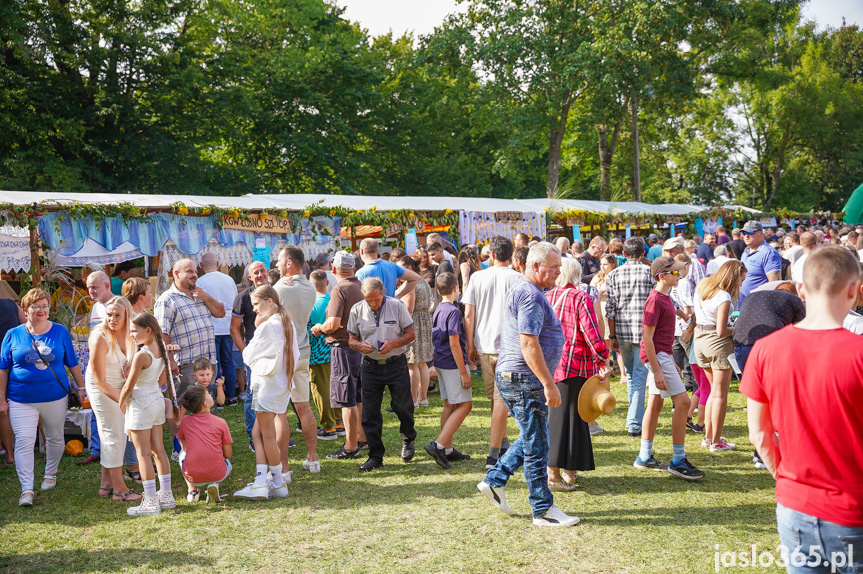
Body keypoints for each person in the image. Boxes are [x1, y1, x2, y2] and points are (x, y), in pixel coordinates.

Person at [742, 246, 863, 572]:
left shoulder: (765, 350)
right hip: (852, 511)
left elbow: (760, 434)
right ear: (855, 289)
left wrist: (784, 478)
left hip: (795, 506)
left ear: (801, 291)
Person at [477, 242, 580, 527]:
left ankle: (495, 480)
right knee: (537, 445)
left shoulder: (527, 290)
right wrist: (549, 383)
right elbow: (527, 342)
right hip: (524, 378)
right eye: (554, 266)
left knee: (535, 436)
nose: (559, 272)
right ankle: (542, 510)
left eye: (560, 266)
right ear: (535, 266)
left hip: (518, 376)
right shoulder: (530, 295)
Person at [0, 288, 85, 507]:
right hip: (20, 397)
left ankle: (51, 474)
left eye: (45, 306)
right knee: (25, 441)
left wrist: (82, 387)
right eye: (35, 306)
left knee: (55, 437)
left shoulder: (60, 331)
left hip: (54, 396)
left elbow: (72, 362)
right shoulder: (13, 334)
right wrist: (2, 398)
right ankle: (26, 490)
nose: (41, 310)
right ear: (25, 310)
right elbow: (3, 369)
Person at [635, 257, 705, 480]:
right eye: (673, 273)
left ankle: (644, 456)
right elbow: (646, 337)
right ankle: (678, 459)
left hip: (662, 355)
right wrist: (657, 369)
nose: (678, 275)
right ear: (661, 276)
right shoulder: (655, 300)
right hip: (657, 356)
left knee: (655, 403)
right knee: (683, 402)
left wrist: (666, 363)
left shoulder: (665, 297)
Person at [546, 257, 610, 491]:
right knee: (573, 419)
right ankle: (556, 474)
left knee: (560, 418)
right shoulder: (580, 297)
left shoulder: (548, 296)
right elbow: (592, 332)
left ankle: (566, 472)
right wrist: (603, 358)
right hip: (577, 364)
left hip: (552, 366)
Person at [234, 285, 298, 500]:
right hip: (279, 385)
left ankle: (277, 482)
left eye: (256, 304)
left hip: (267, 386)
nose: (254, 309)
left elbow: (248, 355)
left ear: (270, 301)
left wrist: (257, 324)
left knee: (266, 435)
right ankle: (262, 479)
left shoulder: (268, 325)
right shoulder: (286, 322)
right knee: (257, 433)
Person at [347, 277, 417, 472]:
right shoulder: (357, 309)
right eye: (368, 300)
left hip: (396, 364)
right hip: (370, 367)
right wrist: (359, 345)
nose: (372, 303)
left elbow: (411, 334)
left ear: (383, 292)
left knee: (403, 407)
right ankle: (376, 456)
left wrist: (393, 343)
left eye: (376, 299)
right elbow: (352, 339)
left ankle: (408, 438)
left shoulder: (397, 306)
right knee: (369, 414)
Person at [463, 236, 520, 468]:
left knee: (496, 401)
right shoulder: (518, 278)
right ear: (511, 255)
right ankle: (502, 444)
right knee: (498, 401)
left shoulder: (478, 277)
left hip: (485, 345)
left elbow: (468, 314)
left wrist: (470, 344)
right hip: (510, 347)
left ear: (492, 256)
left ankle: (493, 453)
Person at [85, 296, 143, 502]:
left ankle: (106, 484)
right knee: (112, 434)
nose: (112, 319)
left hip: (120, 385)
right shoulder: (99, 337)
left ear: (127, 315)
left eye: (118, 315)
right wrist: (123, 401)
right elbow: (100, 381)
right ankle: (120, 489)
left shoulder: (132, 334)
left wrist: (131, 365)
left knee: (116, 432)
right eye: (109, 315)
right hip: (101, 386)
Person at [311, 251, 367, 459]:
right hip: (359, 347)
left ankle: (351, 446)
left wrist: (319, 328)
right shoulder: (360, 285)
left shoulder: (340, 289)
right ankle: (361, 438)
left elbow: (333, 323)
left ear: (333, 269)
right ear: (353, 268)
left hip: (343, 347)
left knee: (347, 399)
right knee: (357, 396)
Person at [119, 312, 177, 516]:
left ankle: (151, 500)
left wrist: (121, 401)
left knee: (142, 454)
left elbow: (129, 385)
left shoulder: (142, 355)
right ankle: (166, 495)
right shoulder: (161, 349)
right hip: (156, 401)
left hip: (141, 404)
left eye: (135, 331)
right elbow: (161, 381)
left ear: (148, 330)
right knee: (158, 450)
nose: (132, 335)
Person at [273, 246, 320, 473]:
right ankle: (313, 459)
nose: (277, 265)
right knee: (304, 407)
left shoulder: (280, 288)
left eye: (280, 261)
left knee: (280, 411)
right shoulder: (310, 287)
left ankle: (283, 468)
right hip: (303, 350)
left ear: (289, 262)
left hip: (284, 355)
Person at [693, 260, 747, 452]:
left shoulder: (703, 286)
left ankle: (709, 437)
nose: (741, 285)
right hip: (717, 344)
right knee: (720, 395)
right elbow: (721, 330)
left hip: (699, 341)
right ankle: (716, 441)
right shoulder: (723, 296)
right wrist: (739, 327)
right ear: (732, 278)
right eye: (740, 281)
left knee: (712, 393)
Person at [605, 237, 654, 438]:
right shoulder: (650, 273)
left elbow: (610, 310)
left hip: (623, 332)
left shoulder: (614, 275)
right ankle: (634, 424)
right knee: (639, 376)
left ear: (623, 254)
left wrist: (612, 335)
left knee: (635, 376)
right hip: (644, 333)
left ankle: (635, 420)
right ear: (643, 253)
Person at [154, 259, 224, 399]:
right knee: (184, 409)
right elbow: (162, 334)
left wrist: (206, 297)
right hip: (185, 365)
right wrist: (170, 361)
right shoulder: (167, 299)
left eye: (196, 272)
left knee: (207, 406)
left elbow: (220, 313)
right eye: (189, 271)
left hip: (209, 363)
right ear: (176, 274)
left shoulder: (200, 295)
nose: (195, 275)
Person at [424, 272, 472, 468]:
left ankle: (447, 449)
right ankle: (439, 444)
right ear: (455, 289)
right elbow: (454, 344)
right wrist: (463, 372)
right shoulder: (454, 311)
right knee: (465, 405)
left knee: (449, 405)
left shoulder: (438, 309)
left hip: (441, 361)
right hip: (452, 363)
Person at [229, 261, 270, 448]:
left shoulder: (276, 293)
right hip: (255, 355)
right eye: (256, 272)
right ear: (250, 277)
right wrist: (246, 353)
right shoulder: (243, 297)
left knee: (273, 394)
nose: (260, 274)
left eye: (262, 271)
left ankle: (273, 434)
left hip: (275, 352)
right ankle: (254, 437)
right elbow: (234, 329)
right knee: (254, 396)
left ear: (268, 272)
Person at [196, 252, 240, 406]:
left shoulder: (200, 282)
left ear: (201, 266)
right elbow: (235, 302)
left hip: (211, 327)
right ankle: (232, 396)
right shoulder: (229, 280)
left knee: (215, 364)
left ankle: (216, 398)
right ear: (218, 264)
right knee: (228, 362)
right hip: (228, 326)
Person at [177, 386, 233, 504]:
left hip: (193, 476)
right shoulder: (220, 422)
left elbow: (184, 447)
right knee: (228, 465)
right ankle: (214, 484)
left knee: (182, 456)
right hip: (218, 474)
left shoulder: (185, 421)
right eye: (208, 394)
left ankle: (192, 490)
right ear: (205, 404)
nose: (211, 395)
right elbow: (228, 454)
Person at [397, 256, 433, 407]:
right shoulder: (423, 280)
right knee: (422, 363)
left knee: (412, 363)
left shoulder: (410, 284)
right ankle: (422, 398)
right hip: (425, 321)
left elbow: (409, 309)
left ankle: (413, 399)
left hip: (414, 323)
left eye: (400, 269)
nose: (398, 273)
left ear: (409, 269)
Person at [307, 270, 339, 440]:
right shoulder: (335, 300)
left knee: (321, 389)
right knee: (336, 385)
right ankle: (340, 422)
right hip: (335, 349)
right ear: (327, 283)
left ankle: (329, 427)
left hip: (317, 353)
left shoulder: (310, 304)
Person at [356, 238, 420, 298]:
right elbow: (415, 277)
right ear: (378, 250)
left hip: (371, 309)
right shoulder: (391, 266)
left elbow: (358, 298)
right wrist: (398, 296)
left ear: (361, 251)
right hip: (391, 307)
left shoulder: (361, 273)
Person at [0, 298, 23, 464]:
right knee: (31, 402)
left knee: (3, 408)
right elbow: (27, 326)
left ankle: (8, 453)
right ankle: (46, 445)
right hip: (16, 359)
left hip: (2, 363)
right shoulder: (11, 304)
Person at [739, 221, 782, 304]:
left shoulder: (769, 253)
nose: (746, 236)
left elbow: (775, 284)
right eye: (744, 233)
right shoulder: (745, 252)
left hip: (758, 305)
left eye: (750, 232)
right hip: (744, 305)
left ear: (761, 233)